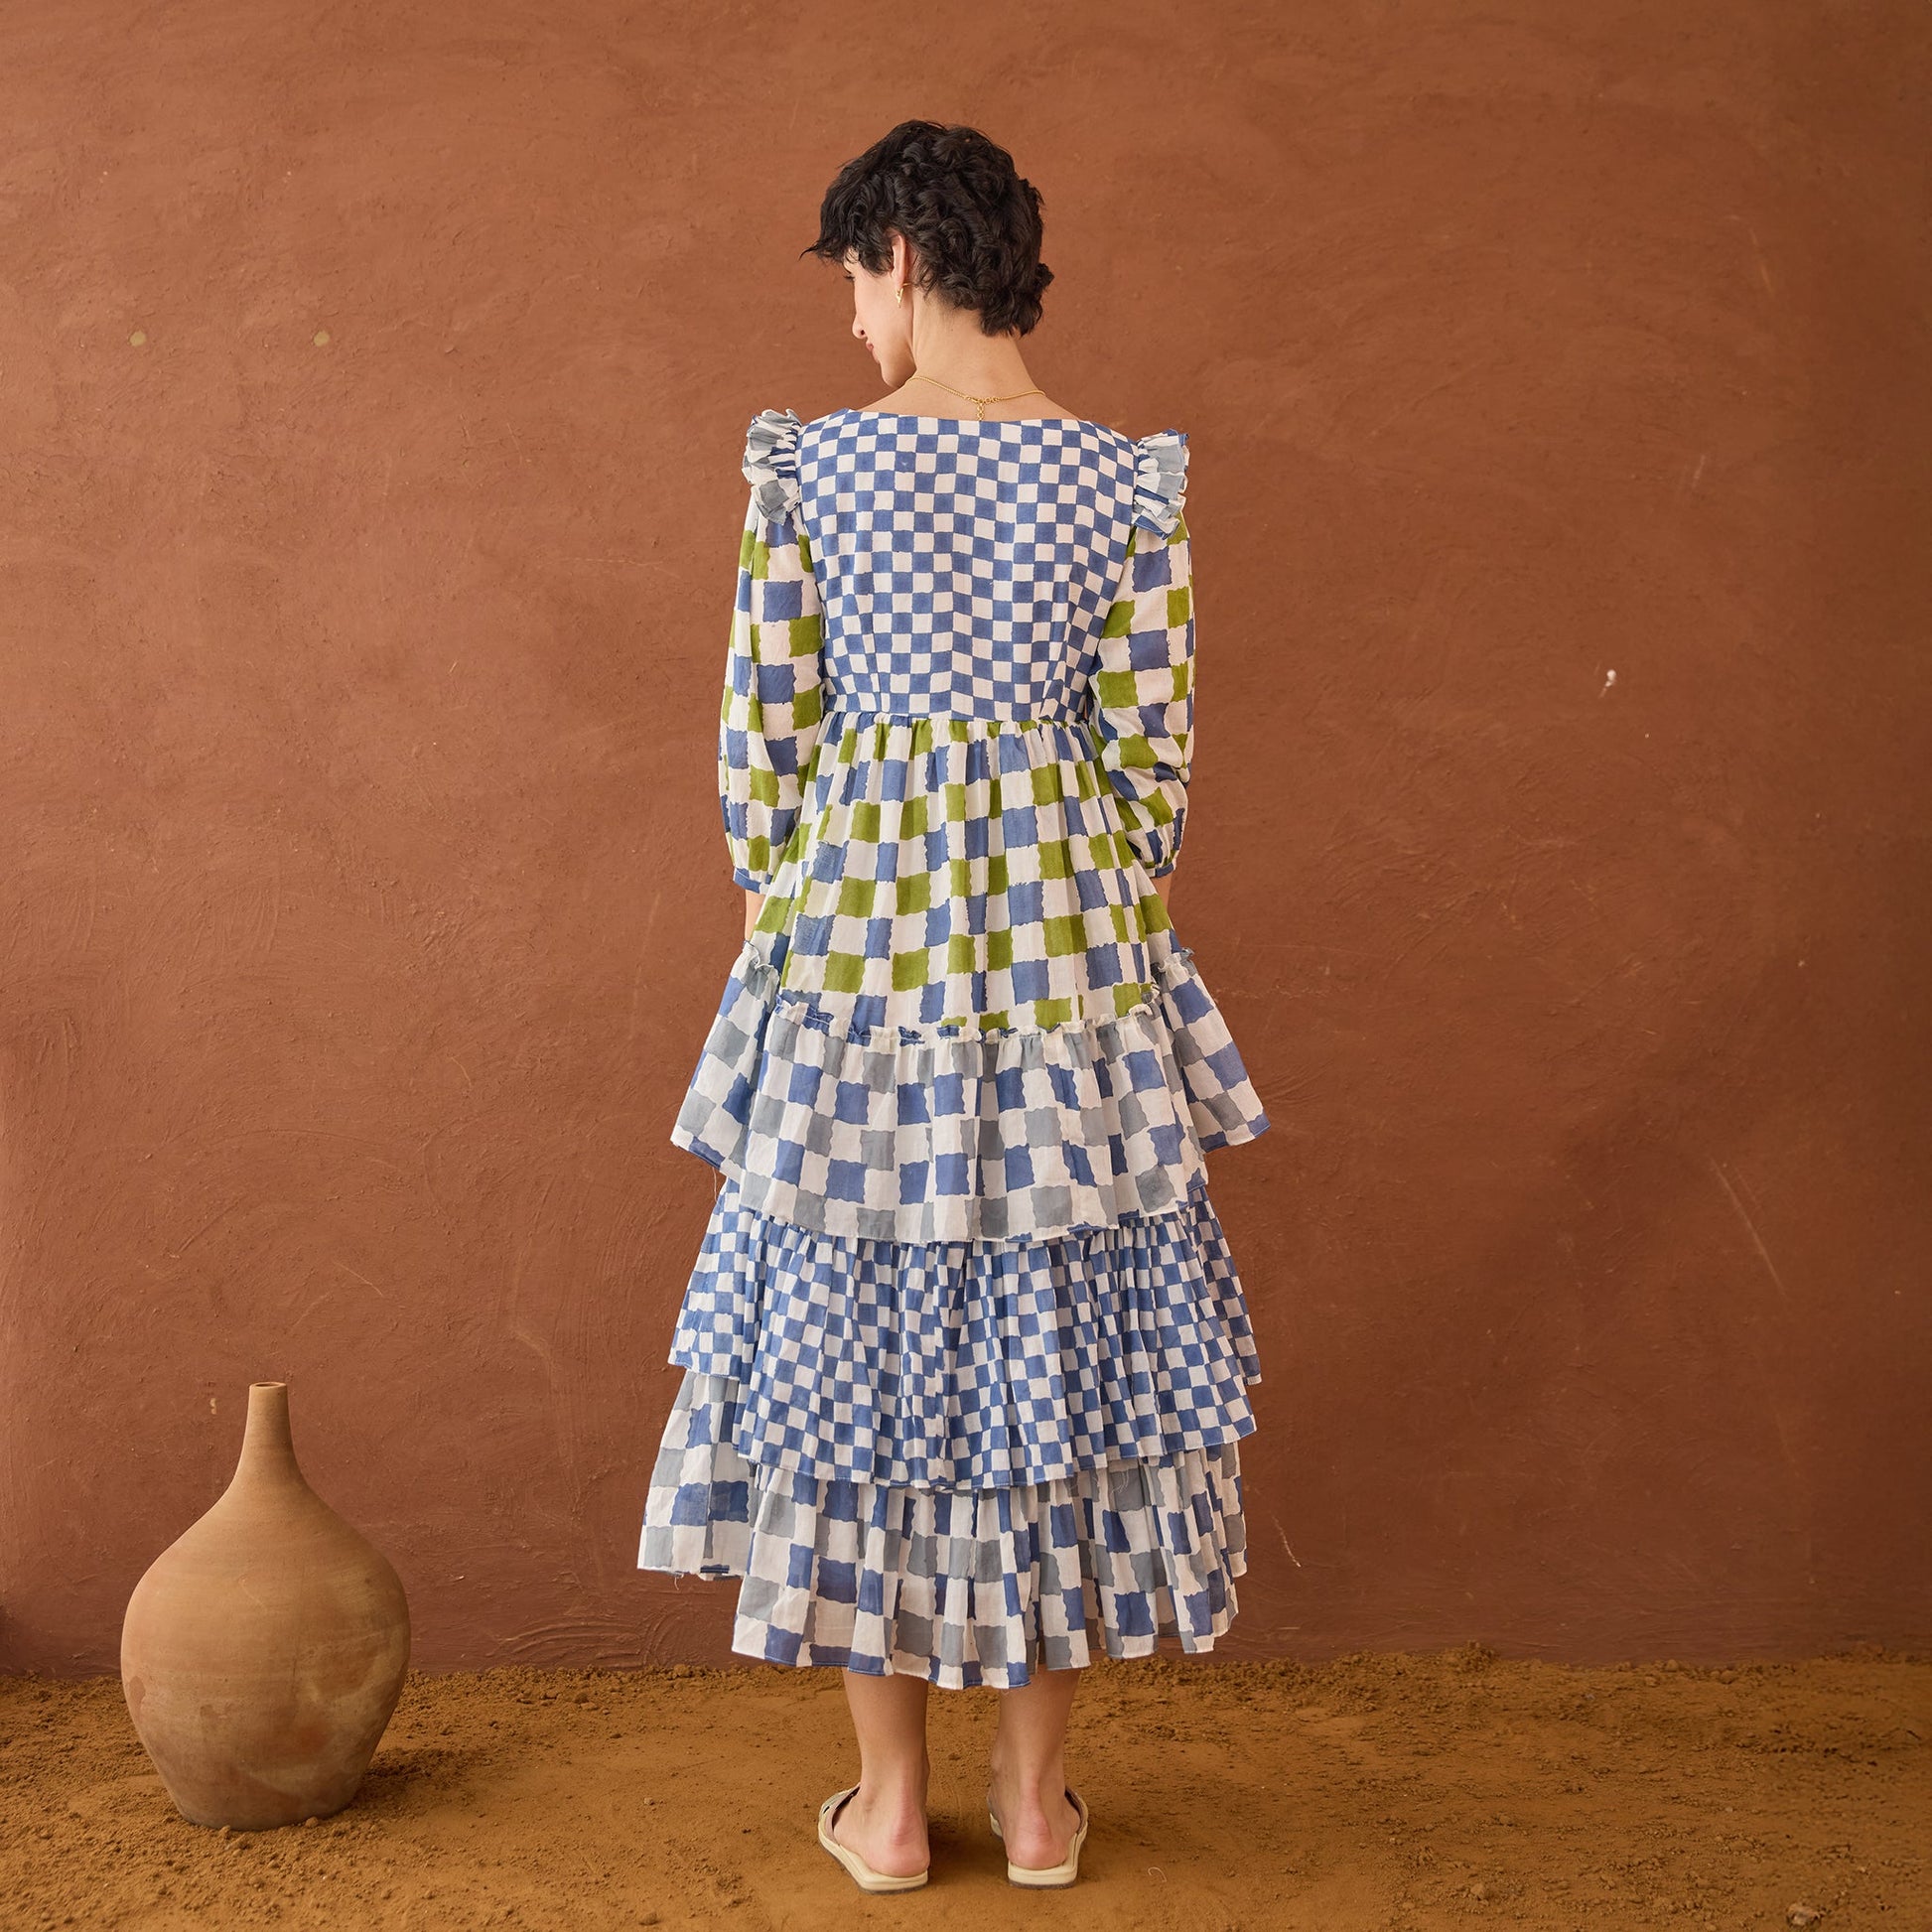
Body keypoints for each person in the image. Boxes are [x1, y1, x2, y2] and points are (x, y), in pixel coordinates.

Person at [636, 119, 1270, 1893]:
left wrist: (795, 914)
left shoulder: (817, 472)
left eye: (854, 282)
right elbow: (1150, 761)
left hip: (860, 943)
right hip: (1066, 949)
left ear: (902, 257)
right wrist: (1080, 910)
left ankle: (893, 1808)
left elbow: (765, 741)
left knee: (860, 1330)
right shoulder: (1121, 482)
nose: (852, 325)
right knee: (1057, 1332)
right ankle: (1042, 1804)